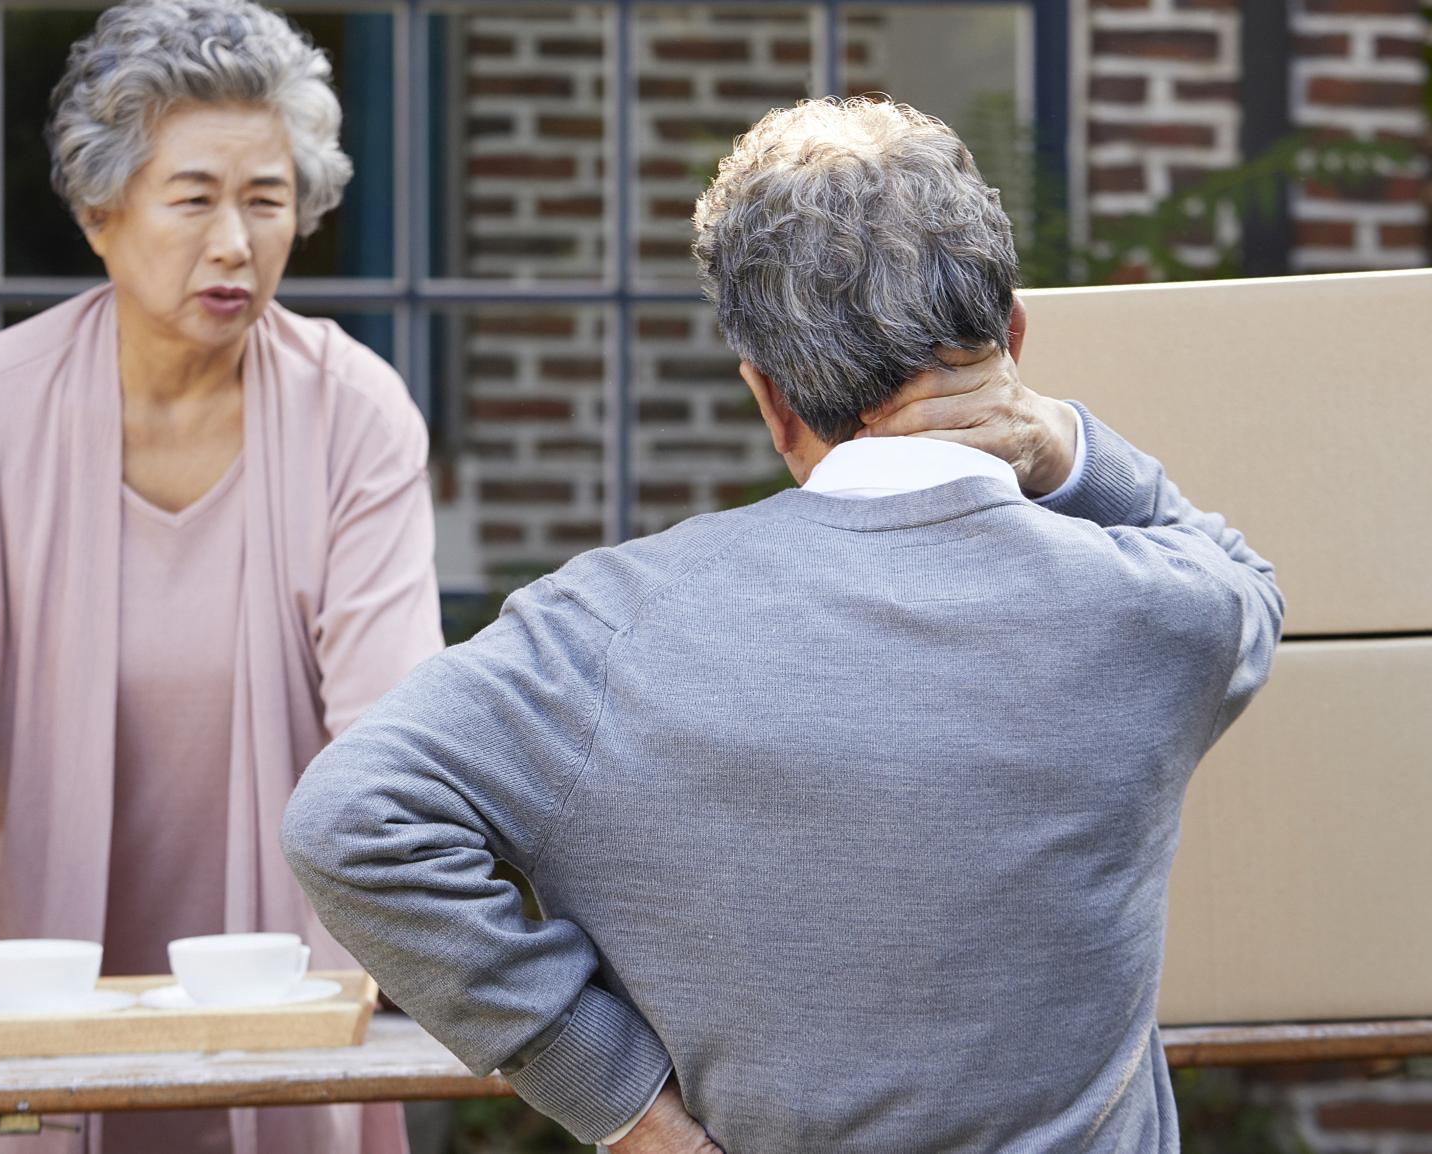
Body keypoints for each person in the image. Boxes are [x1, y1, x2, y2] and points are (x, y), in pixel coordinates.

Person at [282, 97, 1284, 1154]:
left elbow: (347, 819)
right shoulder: (1155, 608)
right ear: (1013, 339)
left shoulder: (603, 632)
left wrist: (615, 1097)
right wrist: (1059, 441)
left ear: (767, 399)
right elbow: (1244, 578)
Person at [0, 2, 436, 1151]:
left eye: (267, 198)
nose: (235, 242)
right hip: (38, 996)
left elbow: (388, 727)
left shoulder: (358, 414)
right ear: (101, 211)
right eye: (193, 198)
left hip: (291, 994)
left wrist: (394, 937)